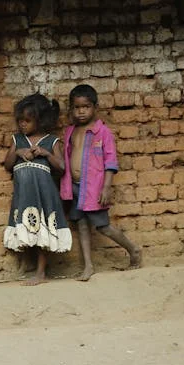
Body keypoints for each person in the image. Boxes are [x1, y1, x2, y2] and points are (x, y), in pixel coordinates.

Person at [60, 84, 142, 281]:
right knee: (81, 224)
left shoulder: (102, 132)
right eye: (76, 107)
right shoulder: (70, 131)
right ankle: (88, 266)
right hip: (75, 188)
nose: (81, 111)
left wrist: (106, 187)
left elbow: (111, 161)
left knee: (102, 226)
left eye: (85, 107)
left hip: (94, 188)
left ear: (95, 107)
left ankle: (134, 249)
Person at [3, 93, 72, 286]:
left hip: (44, 194)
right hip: (24, 195)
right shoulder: (18, 140)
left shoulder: (52, 141)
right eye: (20, 121)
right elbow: (7, 165)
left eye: (27, 120)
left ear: (40, 121)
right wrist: (17, 152)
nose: (23, 124)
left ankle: (41, 273)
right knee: (26, 227)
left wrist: (45, 153)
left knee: (43, 230)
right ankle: (28, 265)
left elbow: (61, 167)